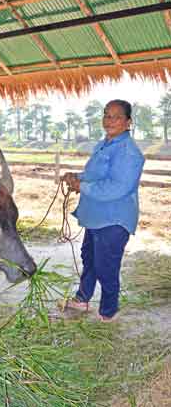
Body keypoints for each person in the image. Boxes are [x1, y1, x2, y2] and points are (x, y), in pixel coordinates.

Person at [62, 100, 144, 322]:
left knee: (106, 266)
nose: (109, 121)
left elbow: (119, 186)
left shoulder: (129, 152)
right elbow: (95, 177)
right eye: (107, 115)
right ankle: (83, 298)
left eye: (116, 117)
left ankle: (109, 311)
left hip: (114, 218)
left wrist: (83, 186)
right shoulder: (104, 144)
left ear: (128, 122)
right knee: (89, 258)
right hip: (97, 216)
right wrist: (76, 177)